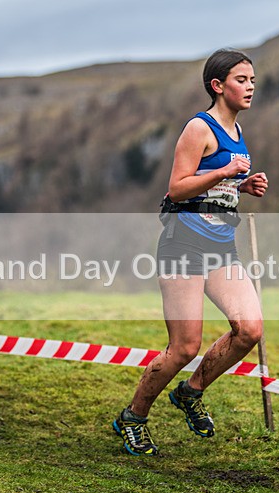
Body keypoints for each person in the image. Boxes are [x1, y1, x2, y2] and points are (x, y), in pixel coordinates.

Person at [112, 49, 269, 455]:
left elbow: (214, 188)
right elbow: (178, 188)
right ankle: (133, 416)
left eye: (252, 79)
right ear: (218, 86)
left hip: (221, 248)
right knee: (184, 346)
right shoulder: (199, 128)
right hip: (183, 244)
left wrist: (242, 186)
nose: (250, 87)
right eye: (241, 80)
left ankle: (190, 391)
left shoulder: (237, 132)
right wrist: (223, 173)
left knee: (249, 329)